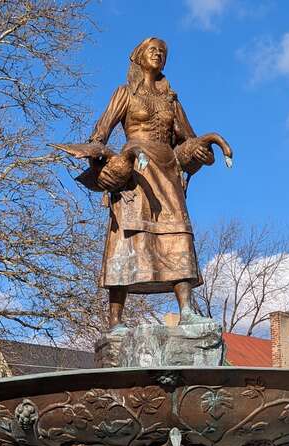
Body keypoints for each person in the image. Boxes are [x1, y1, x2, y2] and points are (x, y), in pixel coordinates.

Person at [88, 37, 219, 330]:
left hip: (168, 173)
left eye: (163, 52)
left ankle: (187, 311)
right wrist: (104, 165)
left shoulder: (172, 100)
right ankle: (115, 321)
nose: (158, 54)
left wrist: (201, 150)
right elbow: (99, 135)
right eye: (152, 50)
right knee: (126, 241)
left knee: (179, 234)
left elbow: (189, 139)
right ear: (138, 56)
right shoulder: (124, 94)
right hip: (135, 174)